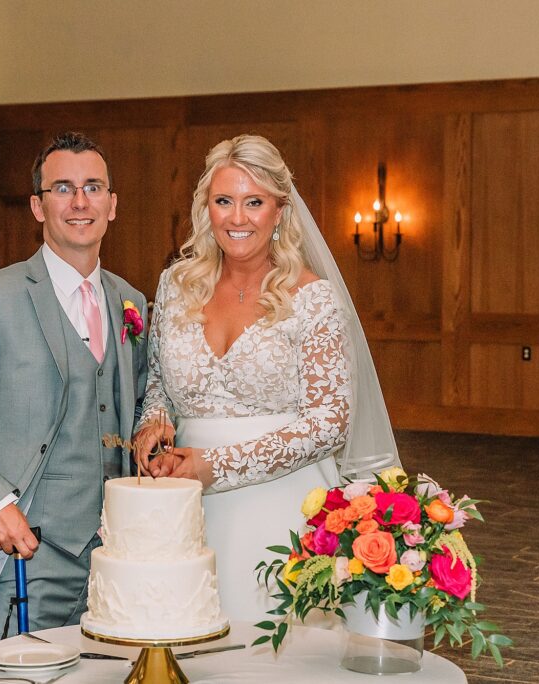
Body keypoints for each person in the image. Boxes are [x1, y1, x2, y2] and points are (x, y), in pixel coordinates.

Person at [133, 134, 400, 623]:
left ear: (279, 210)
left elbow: (330, 423)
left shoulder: (313, 300)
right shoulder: (176, 285)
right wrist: (154, 423)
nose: (237, 218)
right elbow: (158, 384)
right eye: (224, 201)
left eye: (254, 202)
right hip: (182, 508)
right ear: (205, 208)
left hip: (283, 509)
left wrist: (218, 465)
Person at [0, 131, 148, 650]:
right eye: (63, 188)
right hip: (23, 551)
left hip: (115, 556)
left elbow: (134, 405)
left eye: (93, 187)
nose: (79, 201)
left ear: (112, 205)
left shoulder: (131, 302)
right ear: (36, 205)